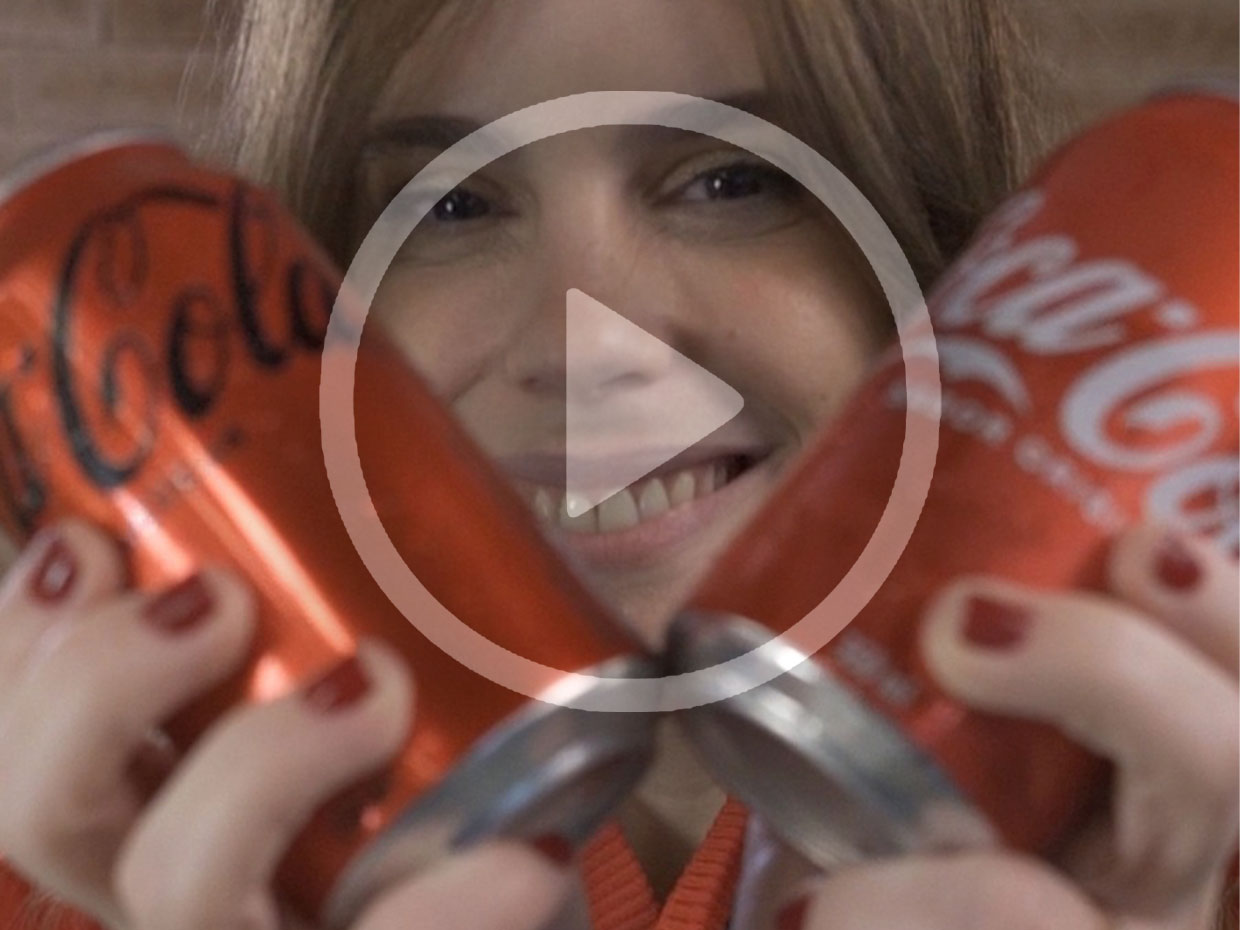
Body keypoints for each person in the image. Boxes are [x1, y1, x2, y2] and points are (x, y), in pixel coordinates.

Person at [0, 0, 1235, 928]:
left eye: (729, 179)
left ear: (957, 265)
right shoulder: (70, 857)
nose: (591, 344)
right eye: (449, 207)